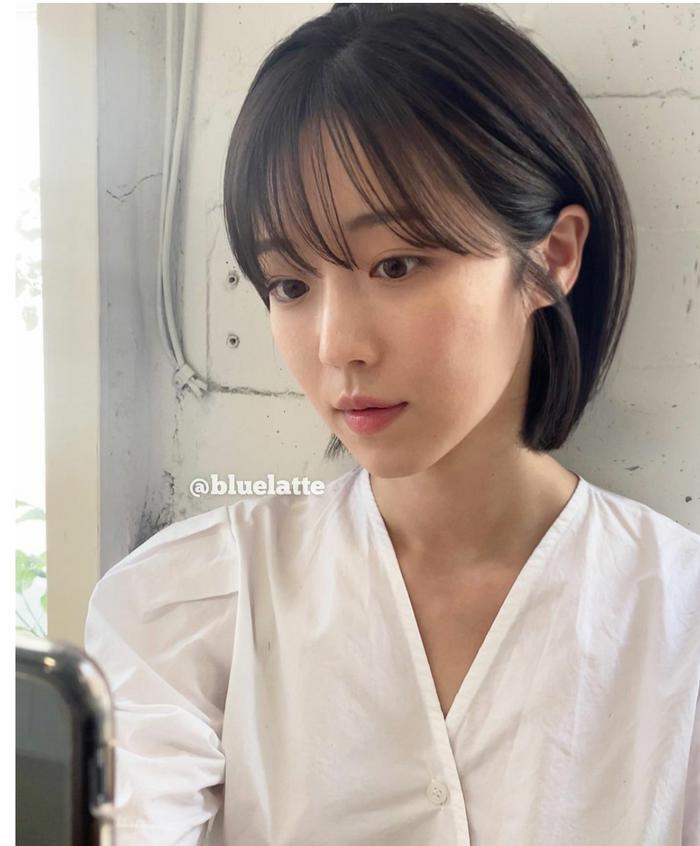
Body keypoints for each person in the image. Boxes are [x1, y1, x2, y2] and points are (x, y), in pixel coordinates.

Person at [85, 4, 700, 844]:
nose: (337, 345)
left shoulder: (676, 621)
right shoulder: (190, 604)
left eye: (398, 264)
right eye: (289, 284)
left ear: (551, 257)